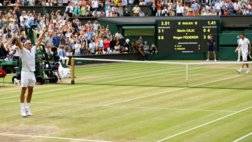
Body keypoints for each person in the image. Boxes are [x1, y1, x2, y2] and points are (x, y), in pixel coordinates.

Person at [14, 27, 47, 117]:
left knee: (31, 90)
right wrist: (16, 37)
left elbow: (39, 40)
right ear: (24, 45)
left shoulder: (32, 49)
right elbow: (19, 43)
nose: (30, 44)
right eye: (28, 43)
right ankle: (22, 109)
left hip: (32, 73)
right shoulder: (22, 50)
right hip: (24, 73)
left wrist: (43, 32)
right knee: (23, 90)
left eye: (30, 43)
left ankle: (27, 108)